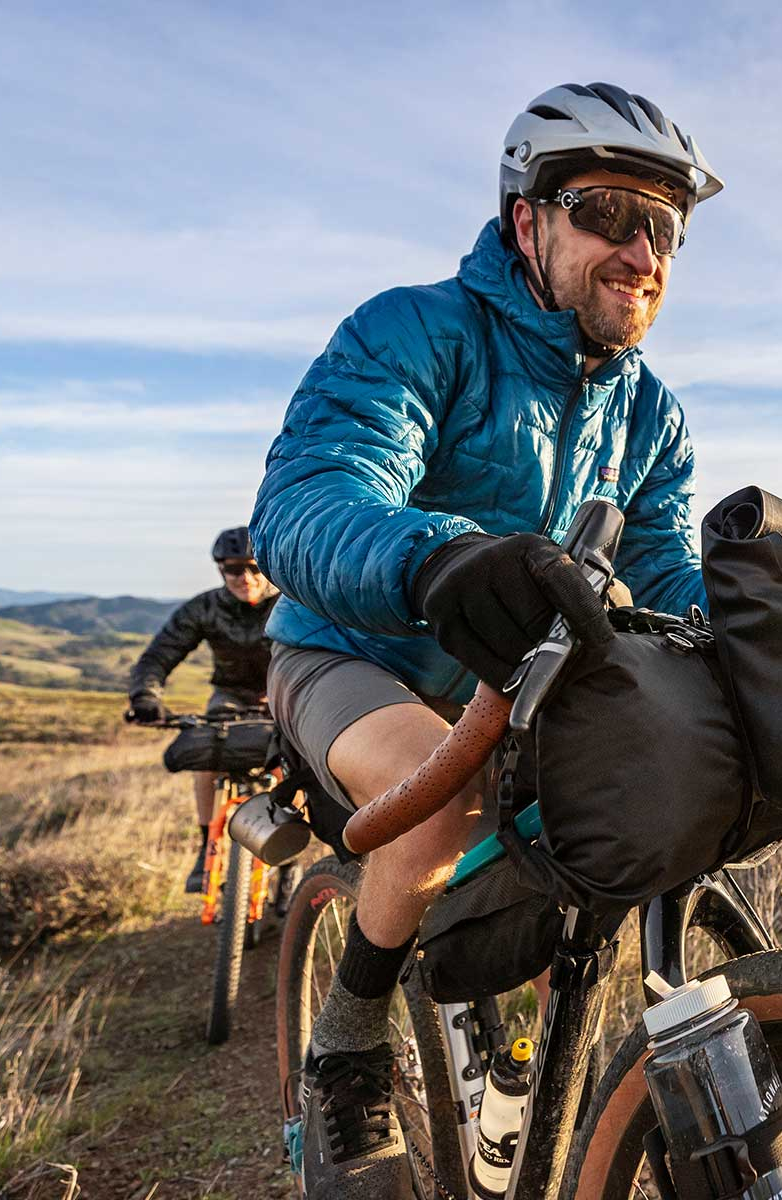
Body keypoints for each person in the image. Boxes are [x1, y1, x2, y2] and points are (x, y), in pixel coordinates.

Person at [250, 82, 722, 1197]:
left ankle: (502, 1045)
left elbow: (663, 565)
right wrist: (438, 557)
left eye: (664, 226)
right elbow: (311, 495)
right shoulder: (414, 331)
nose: (639, 249)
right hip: (350, 648)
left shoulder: (650, 412)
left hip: (515, 678)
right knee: (444, 794)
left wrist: (744, 640)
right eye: (609, 211)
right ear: (529, 219)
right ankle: (349, 1047)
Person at [126, 527, 278, 892]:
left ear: (267, 568)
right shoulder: (205, 608)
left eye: (254, 568)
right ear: (221, 571)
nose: (245, 577)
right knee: (208, 754)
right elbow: (160, 654)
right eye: (233, 570)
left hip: (283, 694)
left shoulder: (291, 601)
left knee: (295, 761)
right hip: (229, 695)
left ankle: (287, 866)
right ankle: (205, 846)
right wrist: (145, 696)